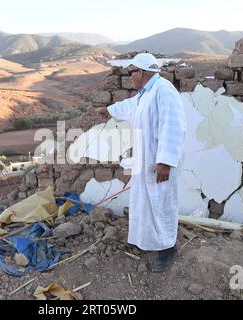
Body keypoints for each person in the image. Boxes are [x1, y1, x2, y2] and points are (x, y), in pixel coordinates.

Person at [97, 53, 187, 272]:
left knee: (161, 202)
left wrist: (165, 162)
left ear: (144, 72)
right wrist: (107, 110)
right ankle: (144, 240)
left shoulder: (164, 91)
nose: (130, 77)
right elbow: (129, 107)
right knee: (143, 201)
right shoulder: (145, 94)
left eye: (132, 72)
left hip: (159, 162)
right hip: (145, 160)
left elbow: (173, 126)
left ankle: (167, 249)